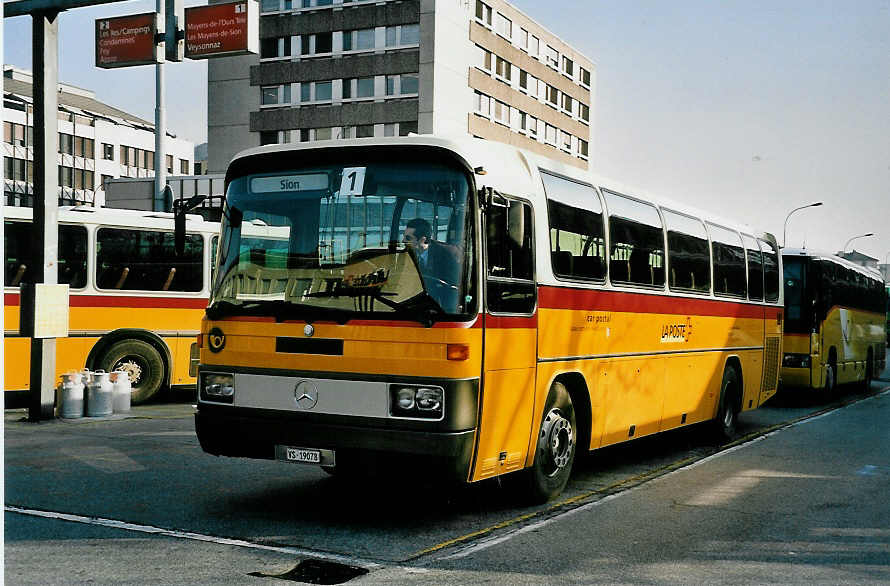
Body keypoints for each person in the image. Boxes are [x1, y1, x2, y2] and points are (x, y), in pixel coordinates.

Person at [403, 218, 460, 307]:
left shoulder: (447, 254)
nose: (403, 241)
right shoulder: (406, 254)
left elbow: (454, 288)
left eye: (408, 238)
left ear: (422, 240)